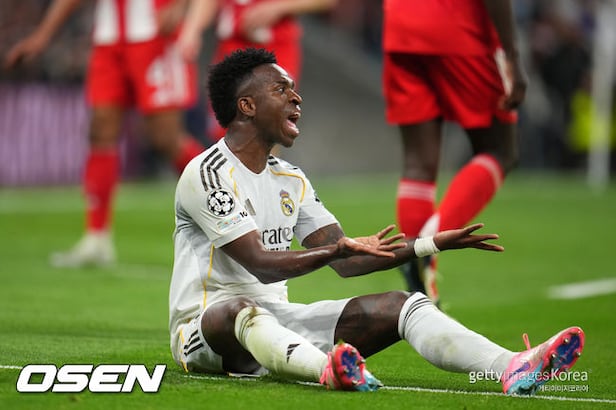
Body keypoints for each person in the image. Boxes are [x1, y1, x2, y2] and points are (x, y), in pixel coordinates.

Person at [168, 48, 583, 394]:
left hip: (276, 327)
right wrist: (336, 249)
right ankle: (328, 369)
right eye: (282, 89)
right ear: (247, 106)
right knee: (240, 309)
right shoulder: (208, 174)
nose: (296, 98)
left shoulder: (289, 178)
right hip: (205, 332)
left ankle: (511, 366)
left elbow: (350, 261)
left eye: (293, 88)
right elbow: (260, 263)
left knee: (404, 305)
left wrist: (429, 244)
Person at [4, 0, 205, 267]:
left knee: (165, 138)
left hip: (155, 35)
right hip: (109, 41)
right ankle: (97, 238)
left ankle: (228, 200)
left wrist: (180, 6)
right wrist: (43, 34)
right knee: (101, 128)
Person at [382, 0, 528, 305]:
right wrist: (513, 56)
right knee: (501, 150)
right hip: (459, 27)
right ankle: (426, 245)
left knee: (418, 165)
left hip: (400, 26)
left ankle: (416, 274)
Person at [175, 0, 337, 144]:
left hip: (275, 48)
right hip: (232, 46)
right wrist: (192, 30)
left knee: (267, 129)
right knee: (225, 131)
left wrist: (278, 7)